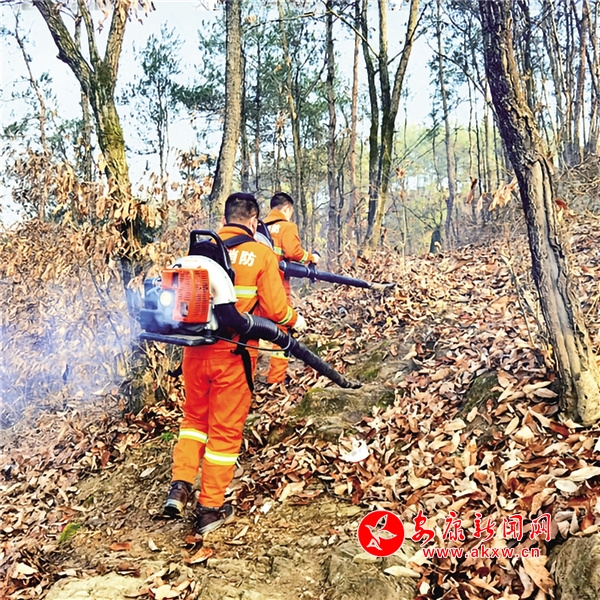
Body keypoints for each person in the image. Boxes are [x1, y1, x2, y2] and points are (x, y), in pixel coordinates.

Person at [163, 192, 307, 534]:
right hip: (233, 354)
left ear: (225, 219)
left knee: (193, 421)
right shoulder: (261, 254)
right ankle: (210, 508)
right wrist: (295, 320)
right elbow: (275, 310)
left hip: (194, 353)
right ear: (254, 221)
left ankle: (179, 487)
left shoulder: (199, 253)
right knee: (225, 432)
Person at [263, 192, 318, 384]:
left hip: (257, 286)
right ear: (287, 208)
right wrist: (311, 257)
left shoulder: (259, 227)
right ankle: (276, 379)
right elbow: (294, 252)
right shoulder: (287, 226)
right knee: (283, 329)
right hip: (278, 286)